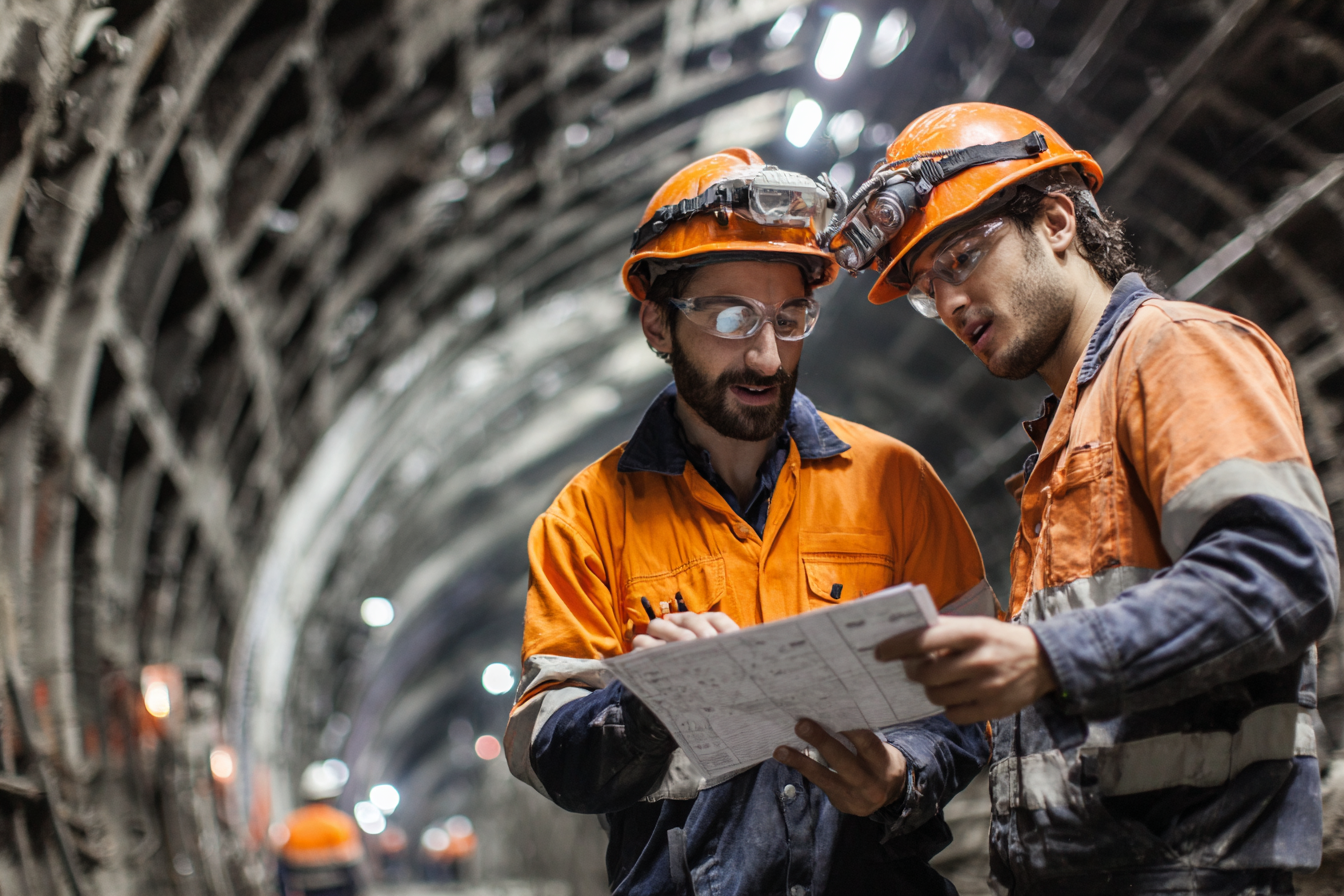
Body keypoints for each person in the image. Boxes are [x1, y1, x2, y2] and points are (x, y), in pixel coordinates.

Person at [834, 102, 1339, 894]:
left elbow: (1280, 575)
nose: (952, 302)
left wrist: (1046, 657)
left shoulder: (1174, 350)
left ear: (1058, 220)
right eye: (930, 290)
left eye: (963, 257)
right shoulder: (1068, 432)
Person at [504, 148, 994, 896]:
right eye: (732, 317)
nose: (766, 355)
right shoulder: (589, 516)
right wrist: (651, 701)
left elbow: (979, 697)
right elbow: (547, 751)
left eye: (790, 317)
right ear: (657, 324)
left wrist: (902, 775)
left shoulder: (896, 482)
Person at [274, 761, 365, 896]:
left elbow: (283, 862)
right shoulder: (341, 823)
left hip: (304, 889)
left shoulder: (292, 823)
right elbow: (353, 864)